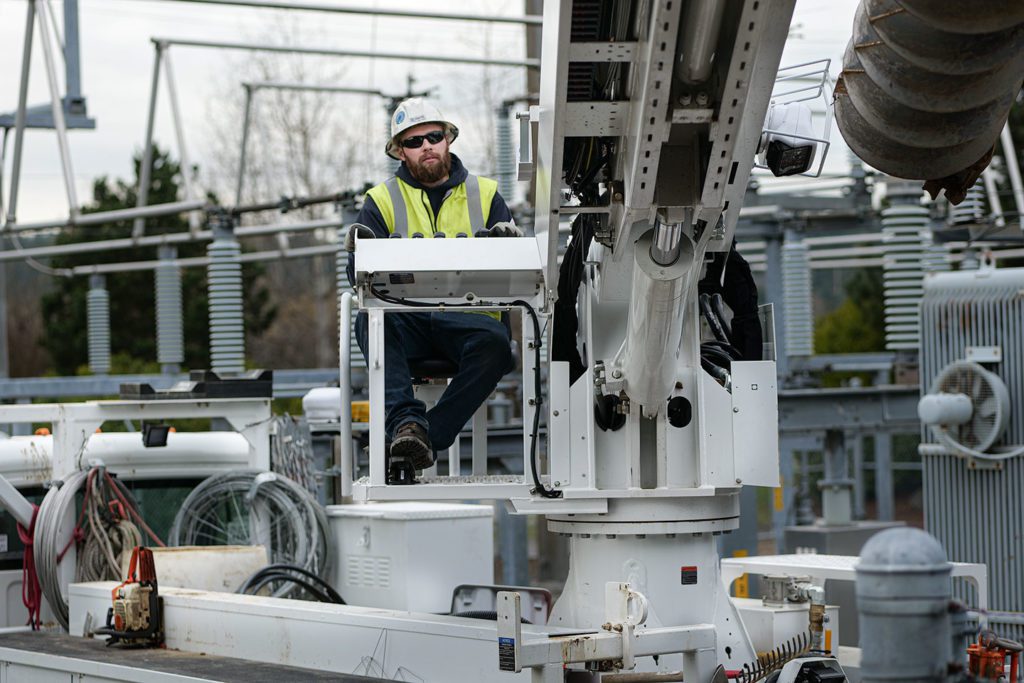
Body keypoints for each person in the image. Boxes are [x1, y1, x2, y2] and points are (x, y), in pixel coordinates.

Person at [345, 97, 521, 480]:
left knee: (496, 346)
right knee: (370, 323)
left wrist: (506, 246)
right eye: (413, 141)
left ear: (448, 140)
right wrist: (358, 254)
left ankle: (423, 434)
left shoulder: (487, 195)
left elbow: (514, 276)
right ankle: (405, 423)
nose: (426, 145)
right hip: (407, 320)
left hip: (467, 322)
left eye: (434, 136)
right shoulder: (381, 200)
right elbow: (356, 276)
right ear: (400, 152)